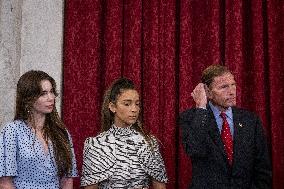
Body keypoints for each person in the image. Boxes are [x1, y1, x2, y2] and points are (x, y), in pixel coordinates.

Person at [179, 65, 272, 189]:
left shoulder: (251, 120)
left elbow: (263, 169)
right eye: (224, 87)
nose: (232, 91)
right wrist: (201, 107)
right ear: (208, 92)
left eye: (233, 85)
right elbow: (195, 149)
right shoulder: (191, 118)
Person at [81, 78, 168, 189]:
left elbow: (160, 186)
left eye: (137, 104)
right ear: (112, 107)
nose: (134, 109)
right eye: (127, 104)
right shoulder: (96, 144)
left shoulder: (149, 143)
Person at [0, 70, 78, 189]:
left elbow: (67, 180)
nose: (51, 98)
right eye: (43, 93)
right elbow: (5, 183)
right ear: (28, 99)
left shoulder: (62, 133)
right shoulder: (11, 131)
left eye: (51, 92)